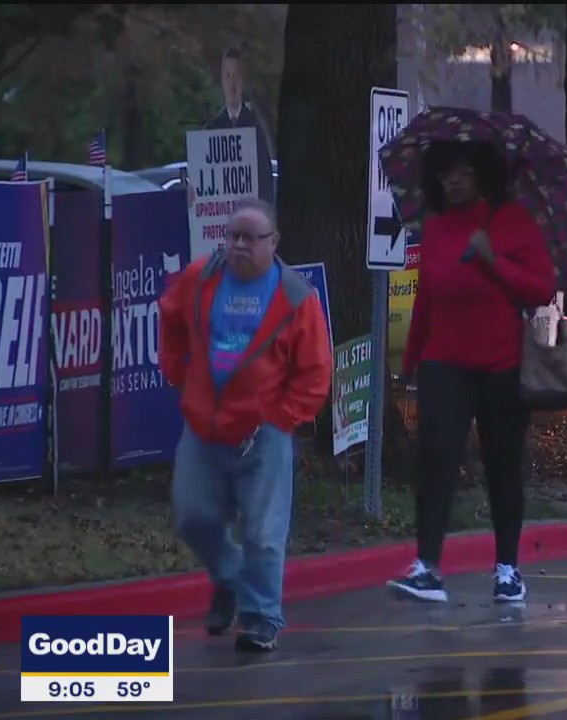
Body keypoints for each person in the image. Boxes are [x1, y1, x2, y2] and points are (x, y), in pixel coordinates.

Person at [157, 198, 332, 652]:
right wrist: (178, 372)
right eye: (232, 236)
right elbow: (170, 317)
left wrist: (280, 418)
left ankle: (261, 618)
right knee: (192, 516)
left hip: (263, 434)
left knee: (263, 533)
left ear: (273, 242)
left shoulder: (296, 297)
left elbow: (315, 373)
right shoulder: (201, 278)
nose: (238, 245)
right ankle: (230, 578)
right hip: (203, 428)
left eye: (250, 238)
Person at [387, 140, 556, 604]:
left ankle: (507, 570)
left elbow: (541, 289)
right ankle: (427, 567)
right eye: (446, 175)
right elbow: (426, 298)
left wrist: (492, 260)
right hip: (443, 363)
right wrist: (411, 362)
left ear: (482, 175)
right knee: (436, 459)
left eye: (463, 172)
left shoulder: (511, 222)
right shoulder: (437, 227)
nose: (454, 181)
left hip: (502, 366)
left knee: (502, 464)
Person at [204, 46, 275, 204]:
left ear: (243, 81)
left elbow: (266, 183)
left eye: (236, 76)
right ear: (222, 82)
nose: (232, 84)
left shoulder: (255, 128)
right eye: (228, 76)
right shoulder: (212, 130)